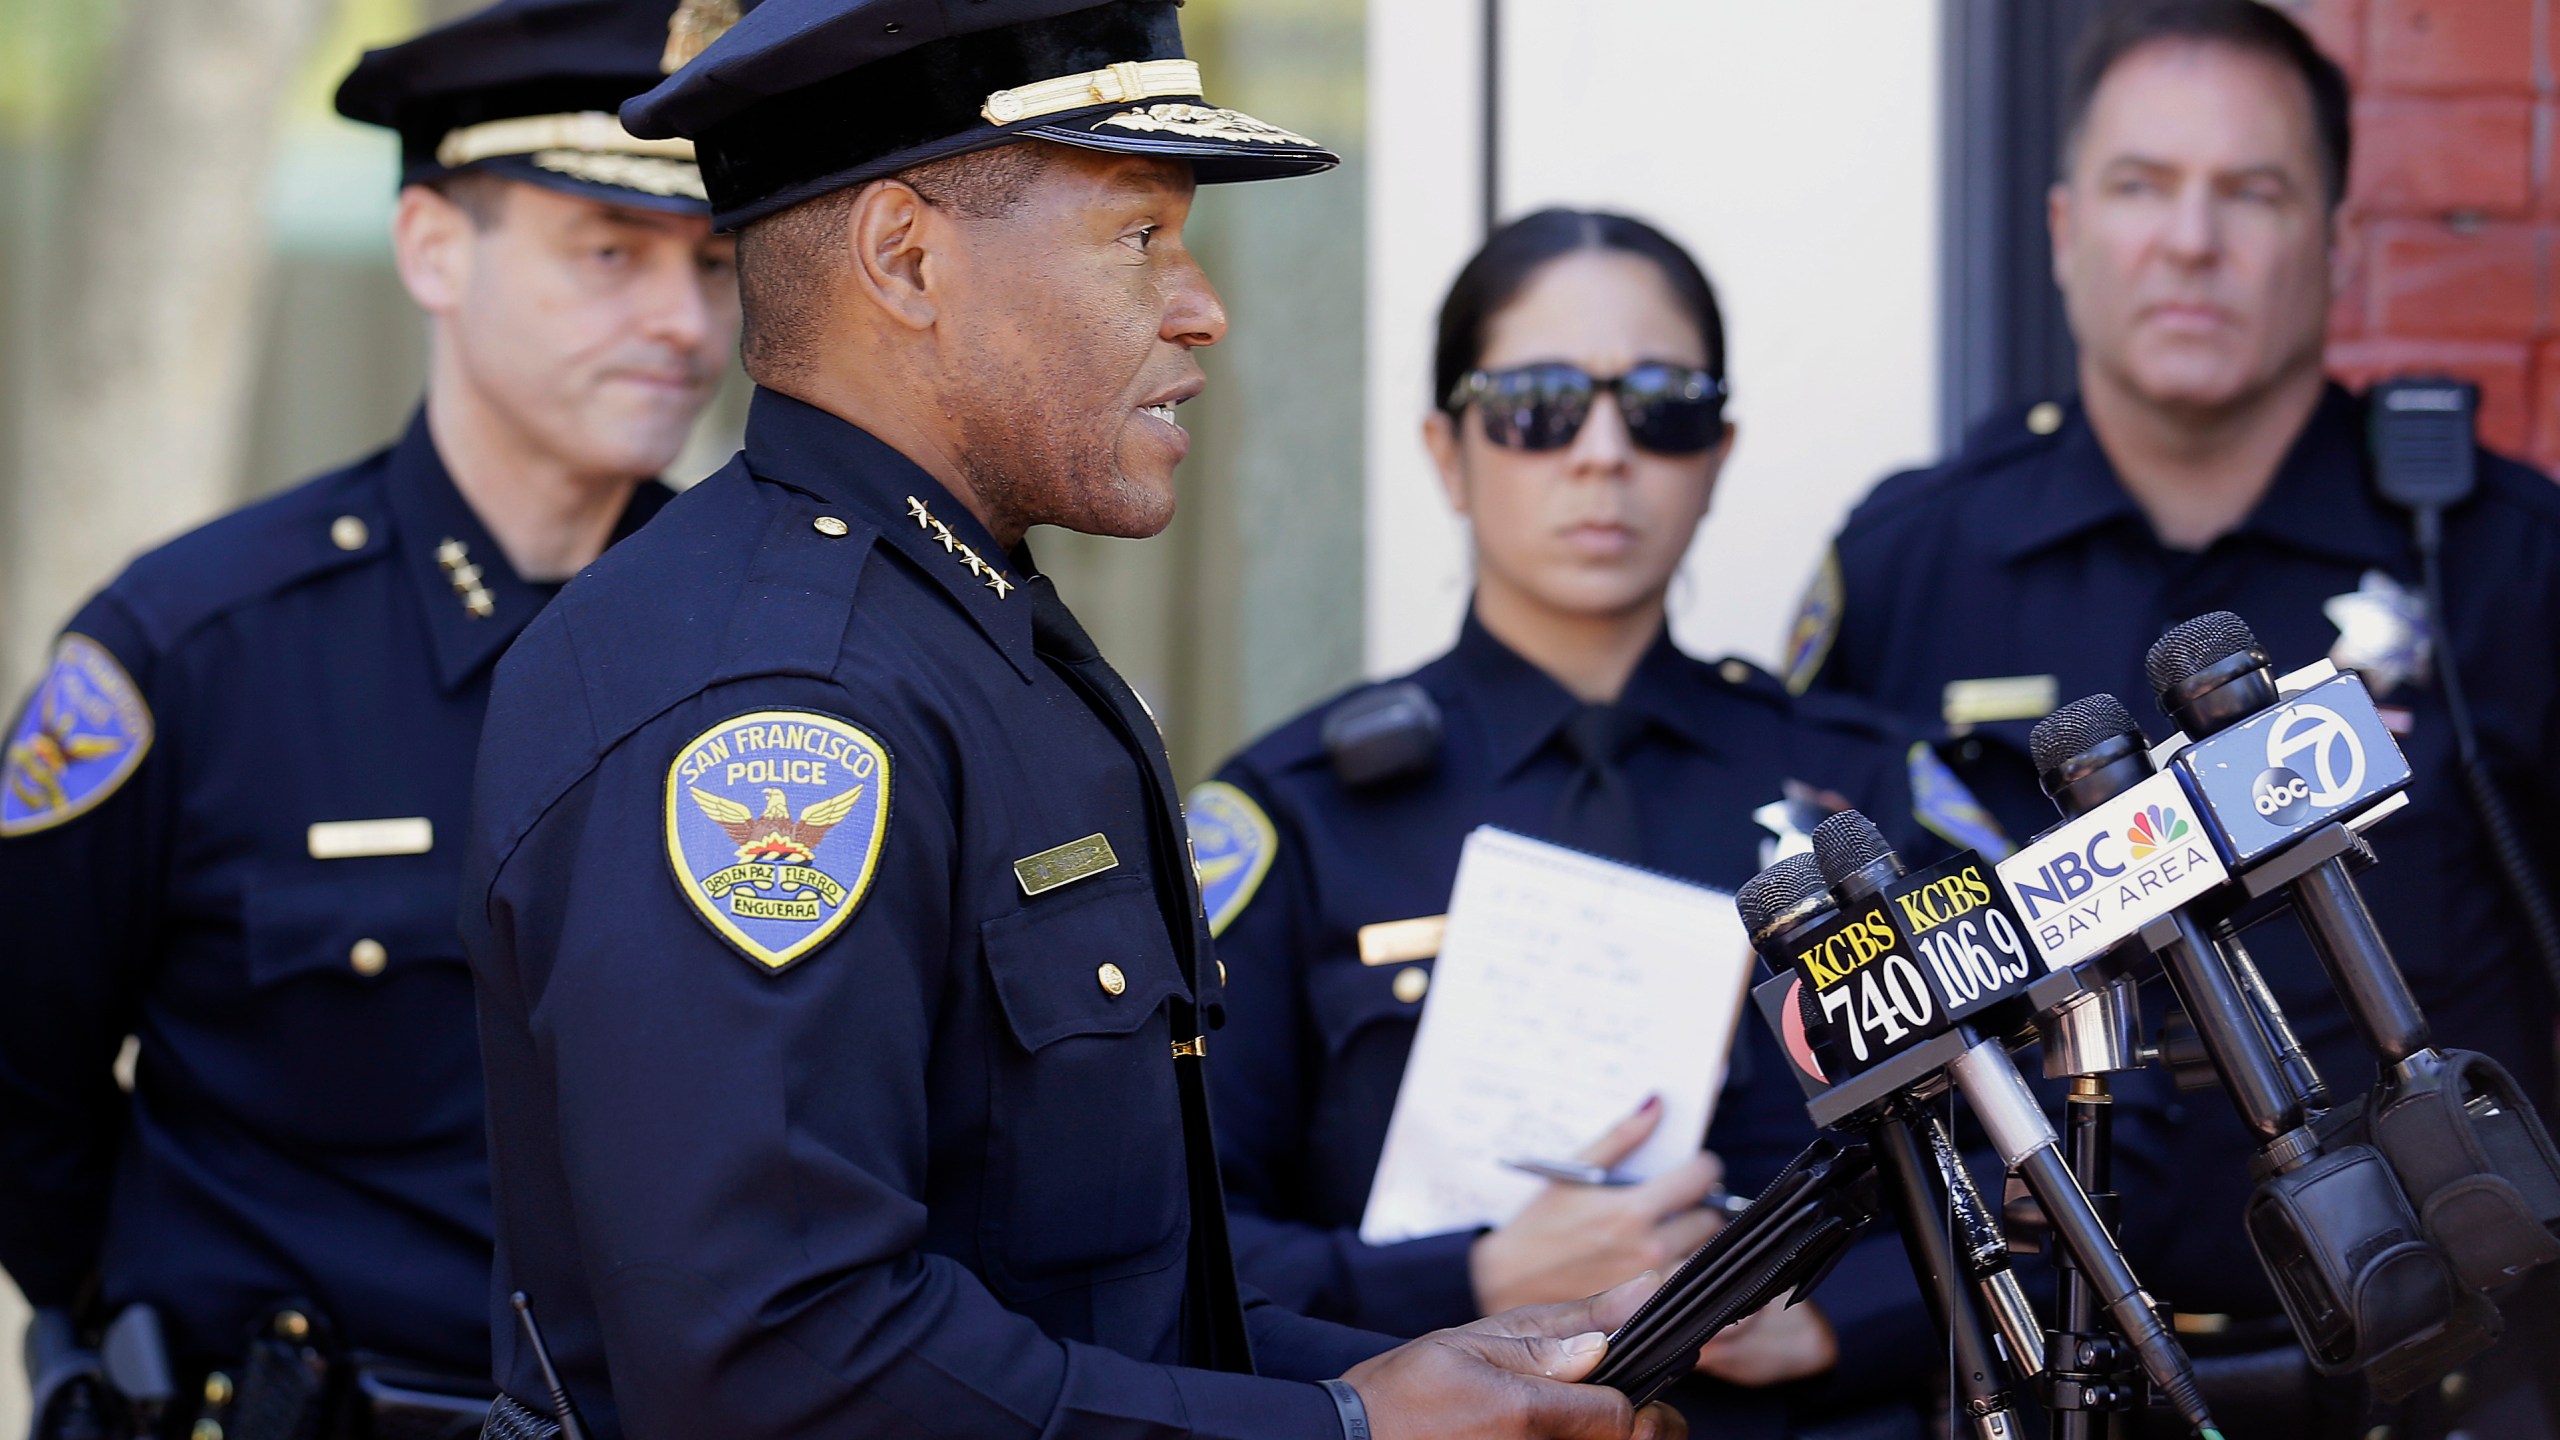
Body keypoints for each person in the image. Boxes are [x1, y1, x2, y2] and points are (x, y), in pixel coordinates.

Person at [459, 3, 1686, 1438]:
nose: (1200, 306)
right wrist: (1346, 1432)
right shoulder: (778, 701)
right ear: (906, 259)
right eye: (1137, 237)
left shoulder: (958, 633)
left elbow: (1103, 1312)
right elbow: (787, 1364)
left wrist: (1446, 1375)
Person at [1789, 1, 2560, 1434]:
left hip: (2456, 1388)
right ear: (2065, 229)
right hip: (2037, 1387)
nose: (2190, 241)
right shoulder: (1911, 566)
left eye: (2251, 192)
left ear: (2334, 243)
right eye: (2143, 186)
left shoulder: (2505, 562)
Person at [0, 1, 735, 1432]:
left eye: (713, 263)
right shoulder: (196, 650)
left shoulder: (767, 644)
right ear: (432, 249)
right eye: (609, 253)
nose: (683, 322)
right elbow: (23, 1081)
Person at [1193, 208, 1995, 1440]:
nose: (1604, 453)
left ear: (1718, 451)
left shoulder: (1865, 798)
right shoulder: (1297, 815)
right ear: (1447, 452)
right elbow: (1175, 1247)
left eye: (1662, 406)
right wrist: (1469, 1283)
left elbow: (2086, 1139)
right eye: (1539, 406)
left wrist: (1844, 1318)